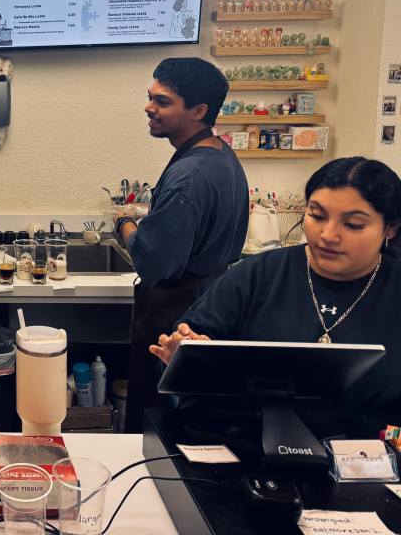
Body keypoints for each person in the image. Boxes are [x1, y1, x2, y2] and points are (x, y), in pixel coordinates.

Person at [151, 157, 401, 424]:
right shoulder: (256, 275)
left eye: (353, 225)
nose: (328, 235)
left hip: (373, 446)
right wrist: (184, 354)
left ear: (391, 227)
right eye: (317, 216)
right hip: (246, 437)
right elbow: (181, 353)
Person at [113, 57, 249, 431]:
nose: (149, 107)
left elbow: (152, 261)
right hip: (210, 300)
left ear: (198, 111)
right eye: (150, 97)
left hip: (177, 314)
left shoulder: (189, 176)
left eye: (162, 101)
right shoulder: (221, 155)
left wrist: (124, 224)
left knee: (157, 422)